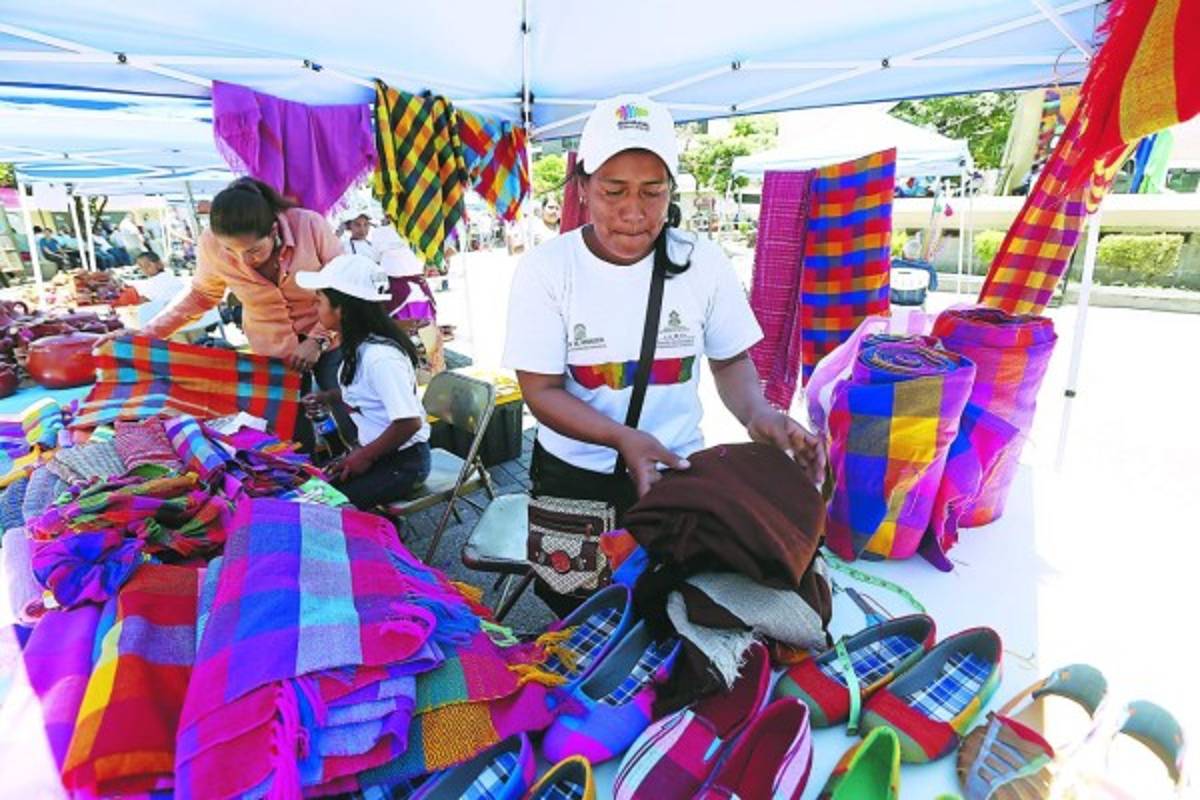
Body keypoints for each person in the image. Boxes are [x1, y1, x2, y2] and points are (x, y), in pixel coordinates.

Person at [502, 94, 826, 613]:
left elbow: (730, 361)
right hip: (574, 481)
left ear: (672, 190)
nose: (634, 213)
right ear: (582, 188)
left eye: (652, 192)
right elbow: (539, 391)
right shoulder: (547, 270)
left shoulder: (701, 263)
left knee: (667, 609)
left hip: (675, 475)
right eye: (614, 191)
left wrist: (760, 413)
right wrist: (620, 438)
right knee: (581, 615)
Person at [137, 177, 348, 446]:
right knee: (290, 434)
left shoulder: (309, 225)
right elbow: (201, 296)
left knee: (348, 410)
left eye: (254, 251)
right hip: (273, 352)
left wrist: (319, 339)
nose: (243, 260)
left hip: (332, 338)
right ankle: (311, 481)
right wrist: (145, 336)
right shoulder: (210, 244)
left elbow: (344, 285)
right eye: (231, 251)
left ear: (273, 230)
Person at [296, 254, 431, 510]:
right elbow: (366, 392)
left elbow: (409, 422)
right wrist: (329, 397)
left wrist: (364, 456)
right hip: (382, 455)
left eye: (319, 301)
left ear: (342, 309)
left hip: (405, 463)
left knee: (326, 508)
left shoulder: (380, 358)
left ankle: (383, 535)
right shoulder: (358, 347)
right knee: (312, 490)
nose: (315, 308)